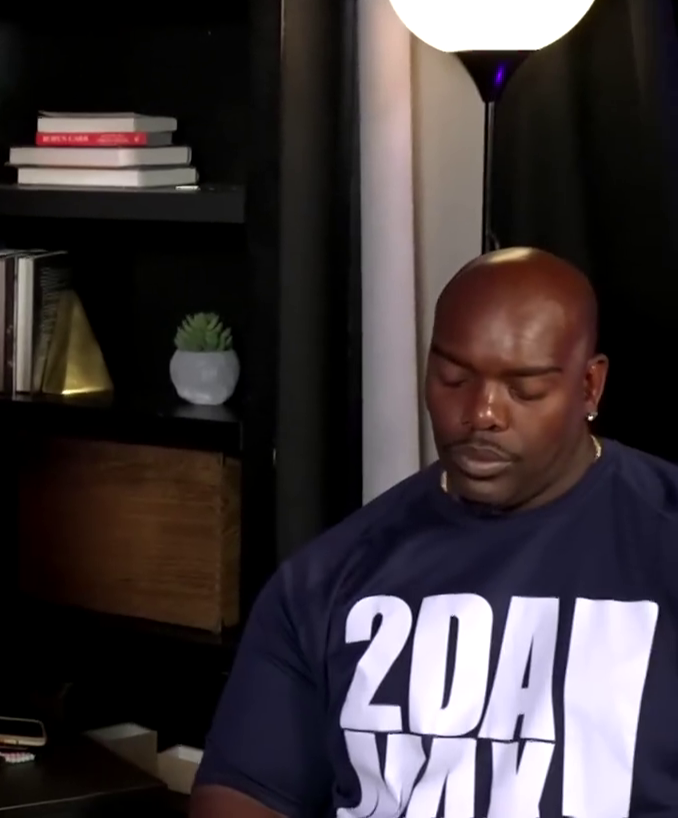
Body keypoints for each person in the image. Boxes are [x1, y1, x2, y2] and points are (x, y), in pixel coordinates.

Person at [191, 247, 678, 817]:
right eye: (454, 378)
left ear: (590, 387)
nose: (482, 413)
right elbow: (242, 794)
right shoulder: (329, 578)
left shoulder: (662, 539)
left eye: (523, 389)